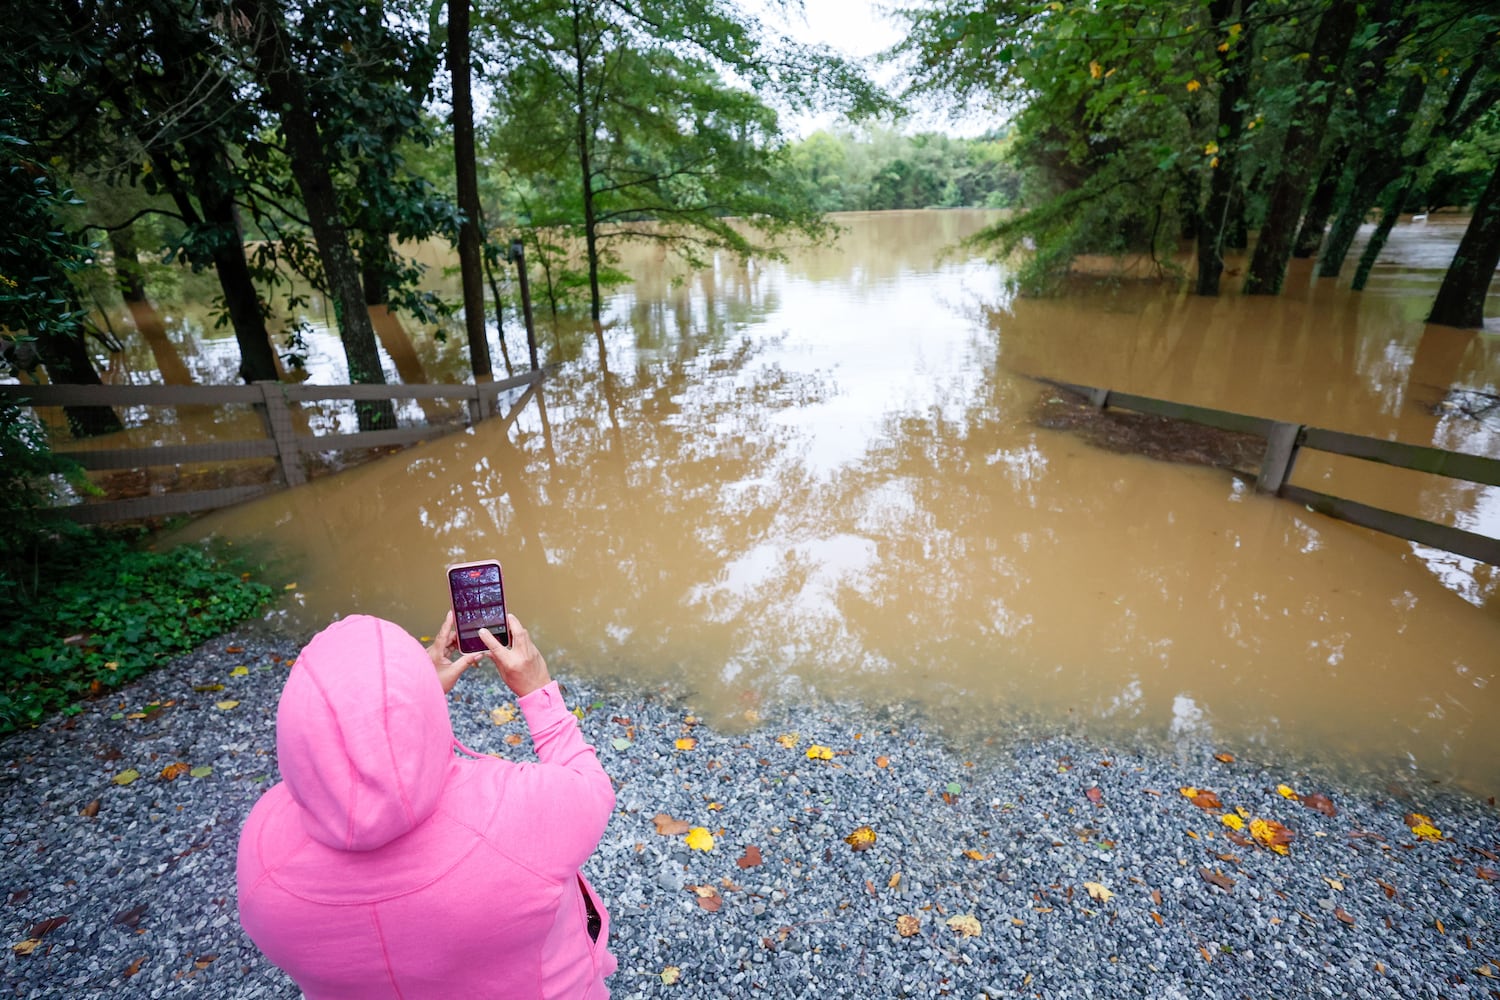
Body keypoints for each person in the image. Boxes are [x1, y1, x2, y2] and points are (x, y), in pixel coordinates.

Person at [236, 611, 616, 998]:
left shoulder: (261, 852)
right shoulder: (520, 809)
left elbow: (345, 747)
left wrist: (401, 712)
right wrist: (537, 689)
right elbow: (591, 788)